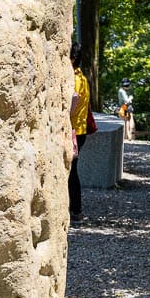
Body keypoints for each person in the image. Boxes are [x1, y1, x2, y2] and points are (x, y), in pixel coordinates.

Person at [68, 44, 90, 223]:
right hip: (80, 129)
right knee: (72, 170)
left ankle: (76, 210)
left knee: (71, 171)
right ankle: (75, 209)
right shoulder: (82, 77)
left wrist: (64, 117)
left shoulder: (75, 79)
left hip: (73, 129)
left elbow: (73, 99)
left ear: (72, 59)